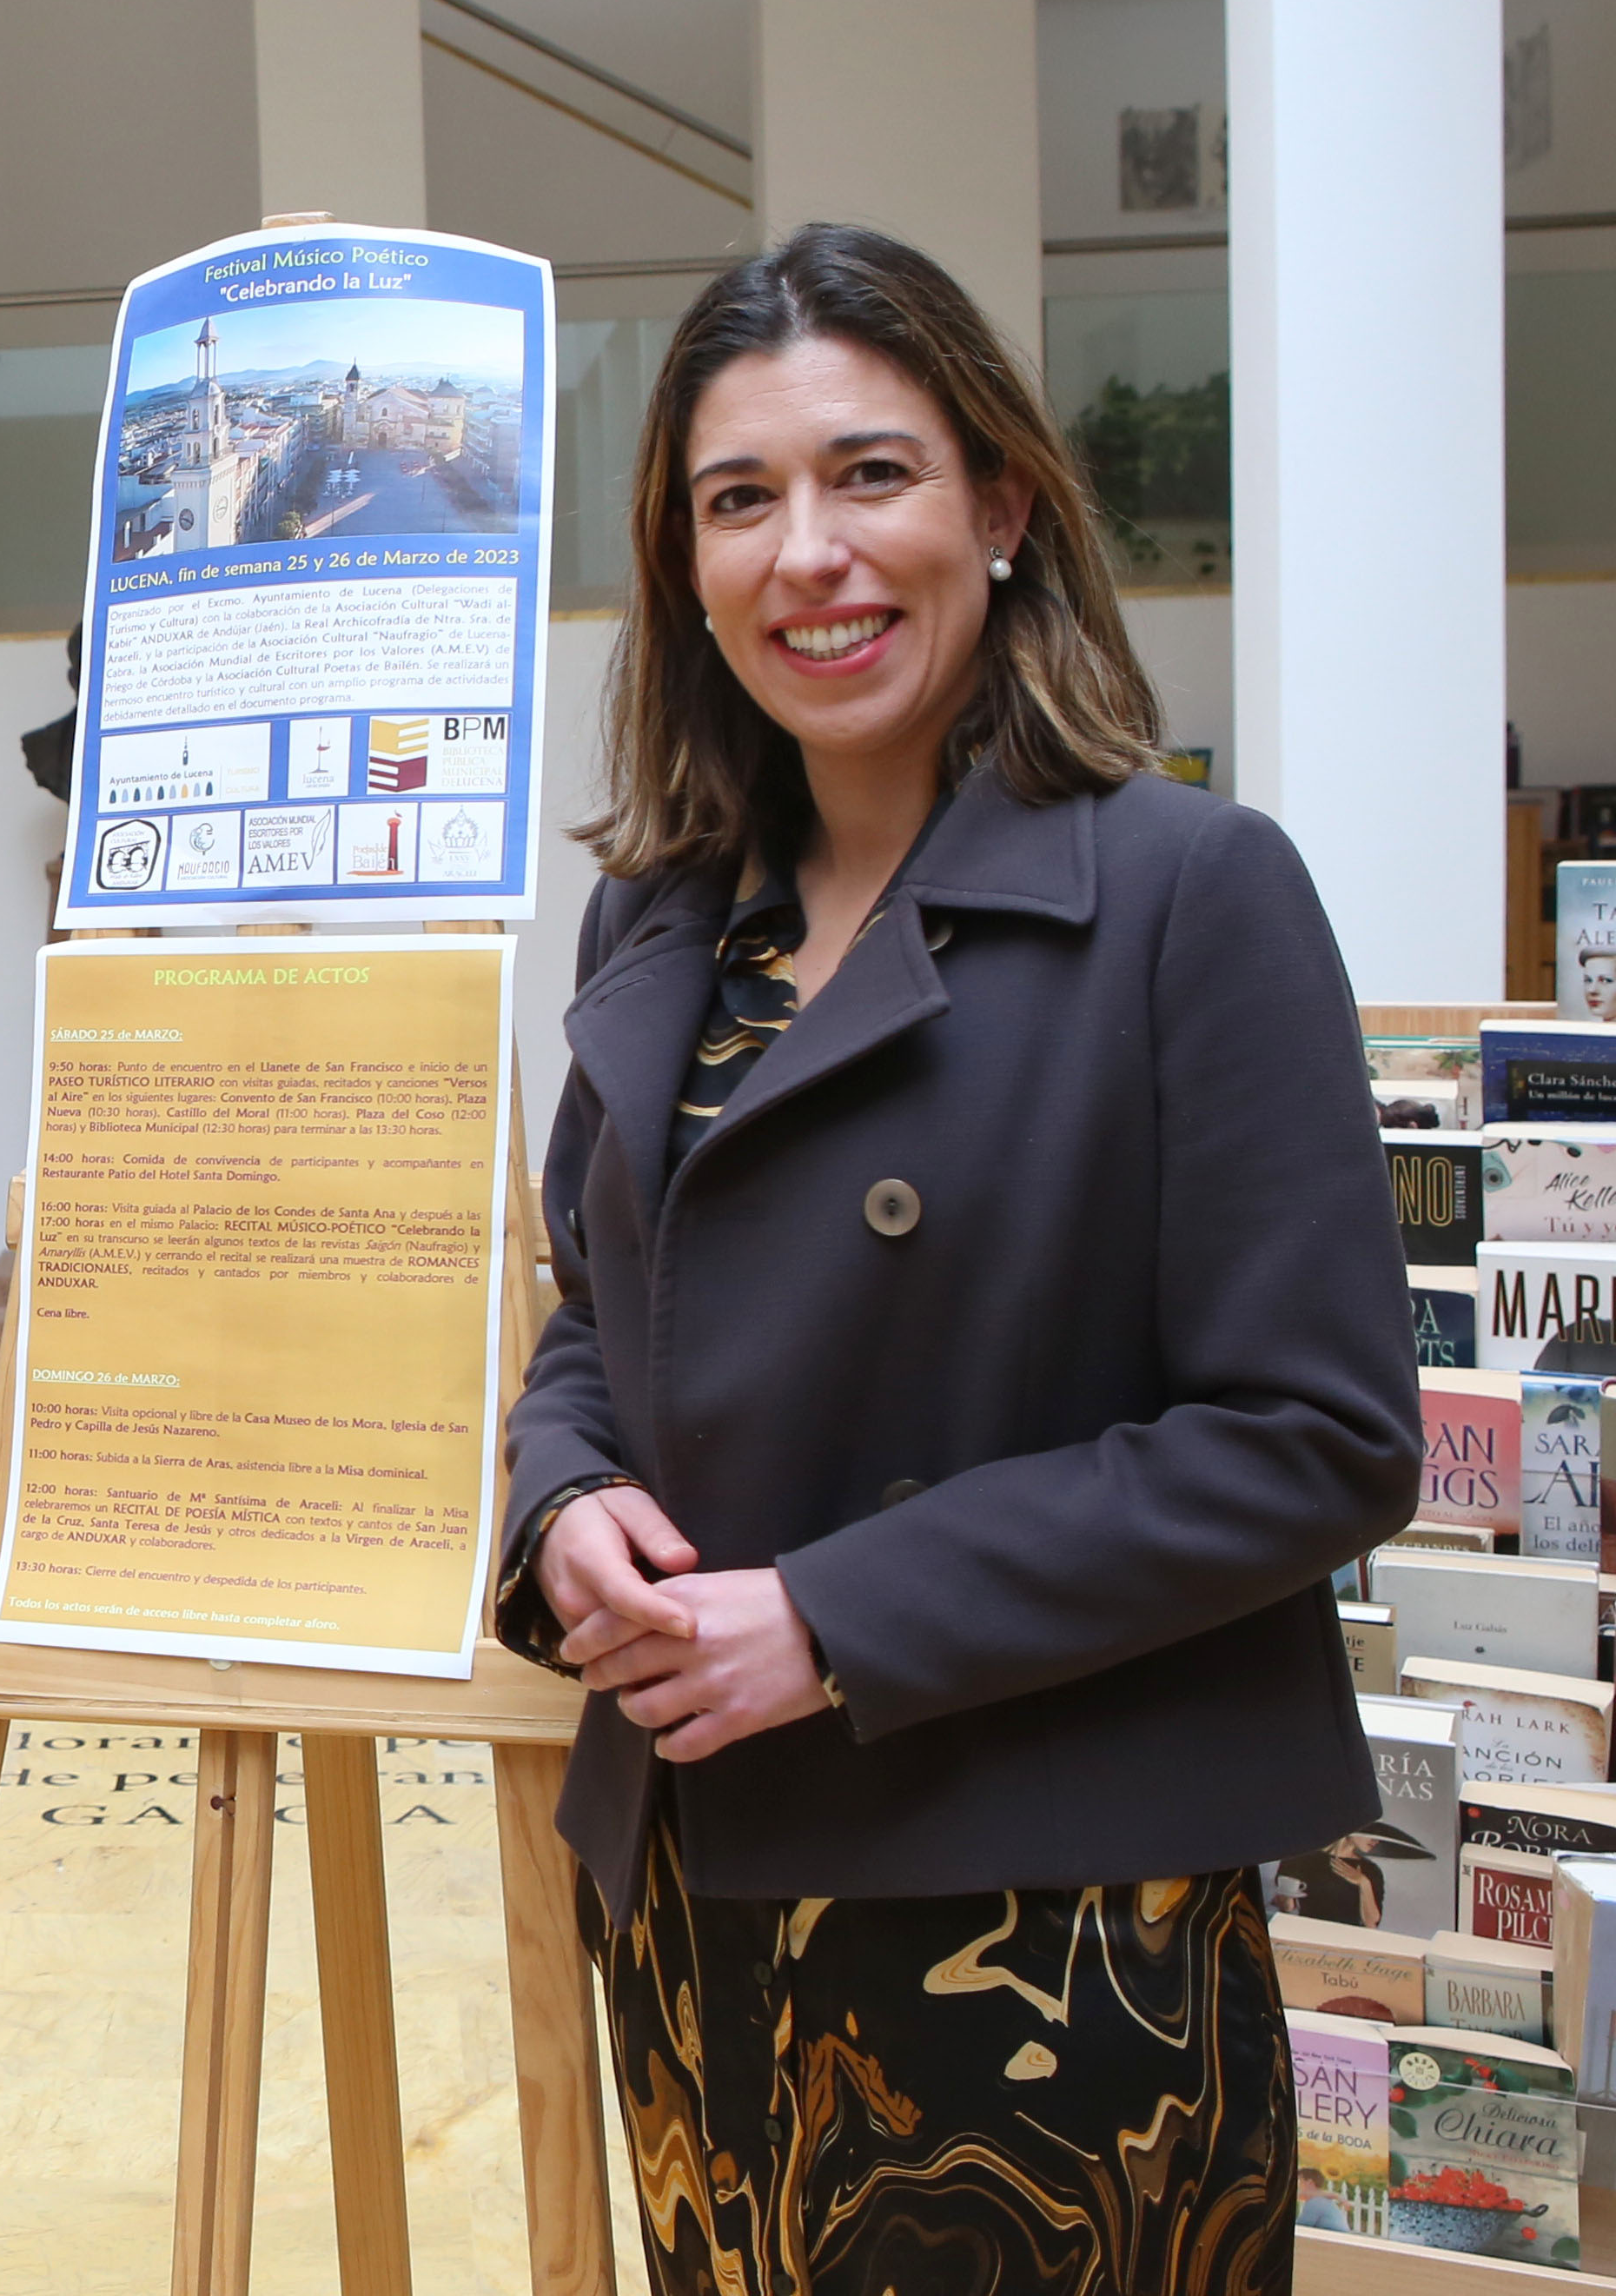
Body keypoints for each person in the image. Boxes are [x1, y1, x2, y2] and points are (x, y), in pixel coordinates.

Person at [499, 225, 1416, 2291]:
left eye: (871, 474)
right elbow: (600, 1308)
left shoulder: (1191, 891)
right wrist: (564, 1499)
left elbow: (1320, 1430)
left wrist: (830, 1615)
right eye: (739, 500)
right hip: (693, 1897)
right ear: (684, 562)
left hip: (1046, 1941)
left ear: (999, 506)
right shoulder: (662, 914)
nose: (807, 552)